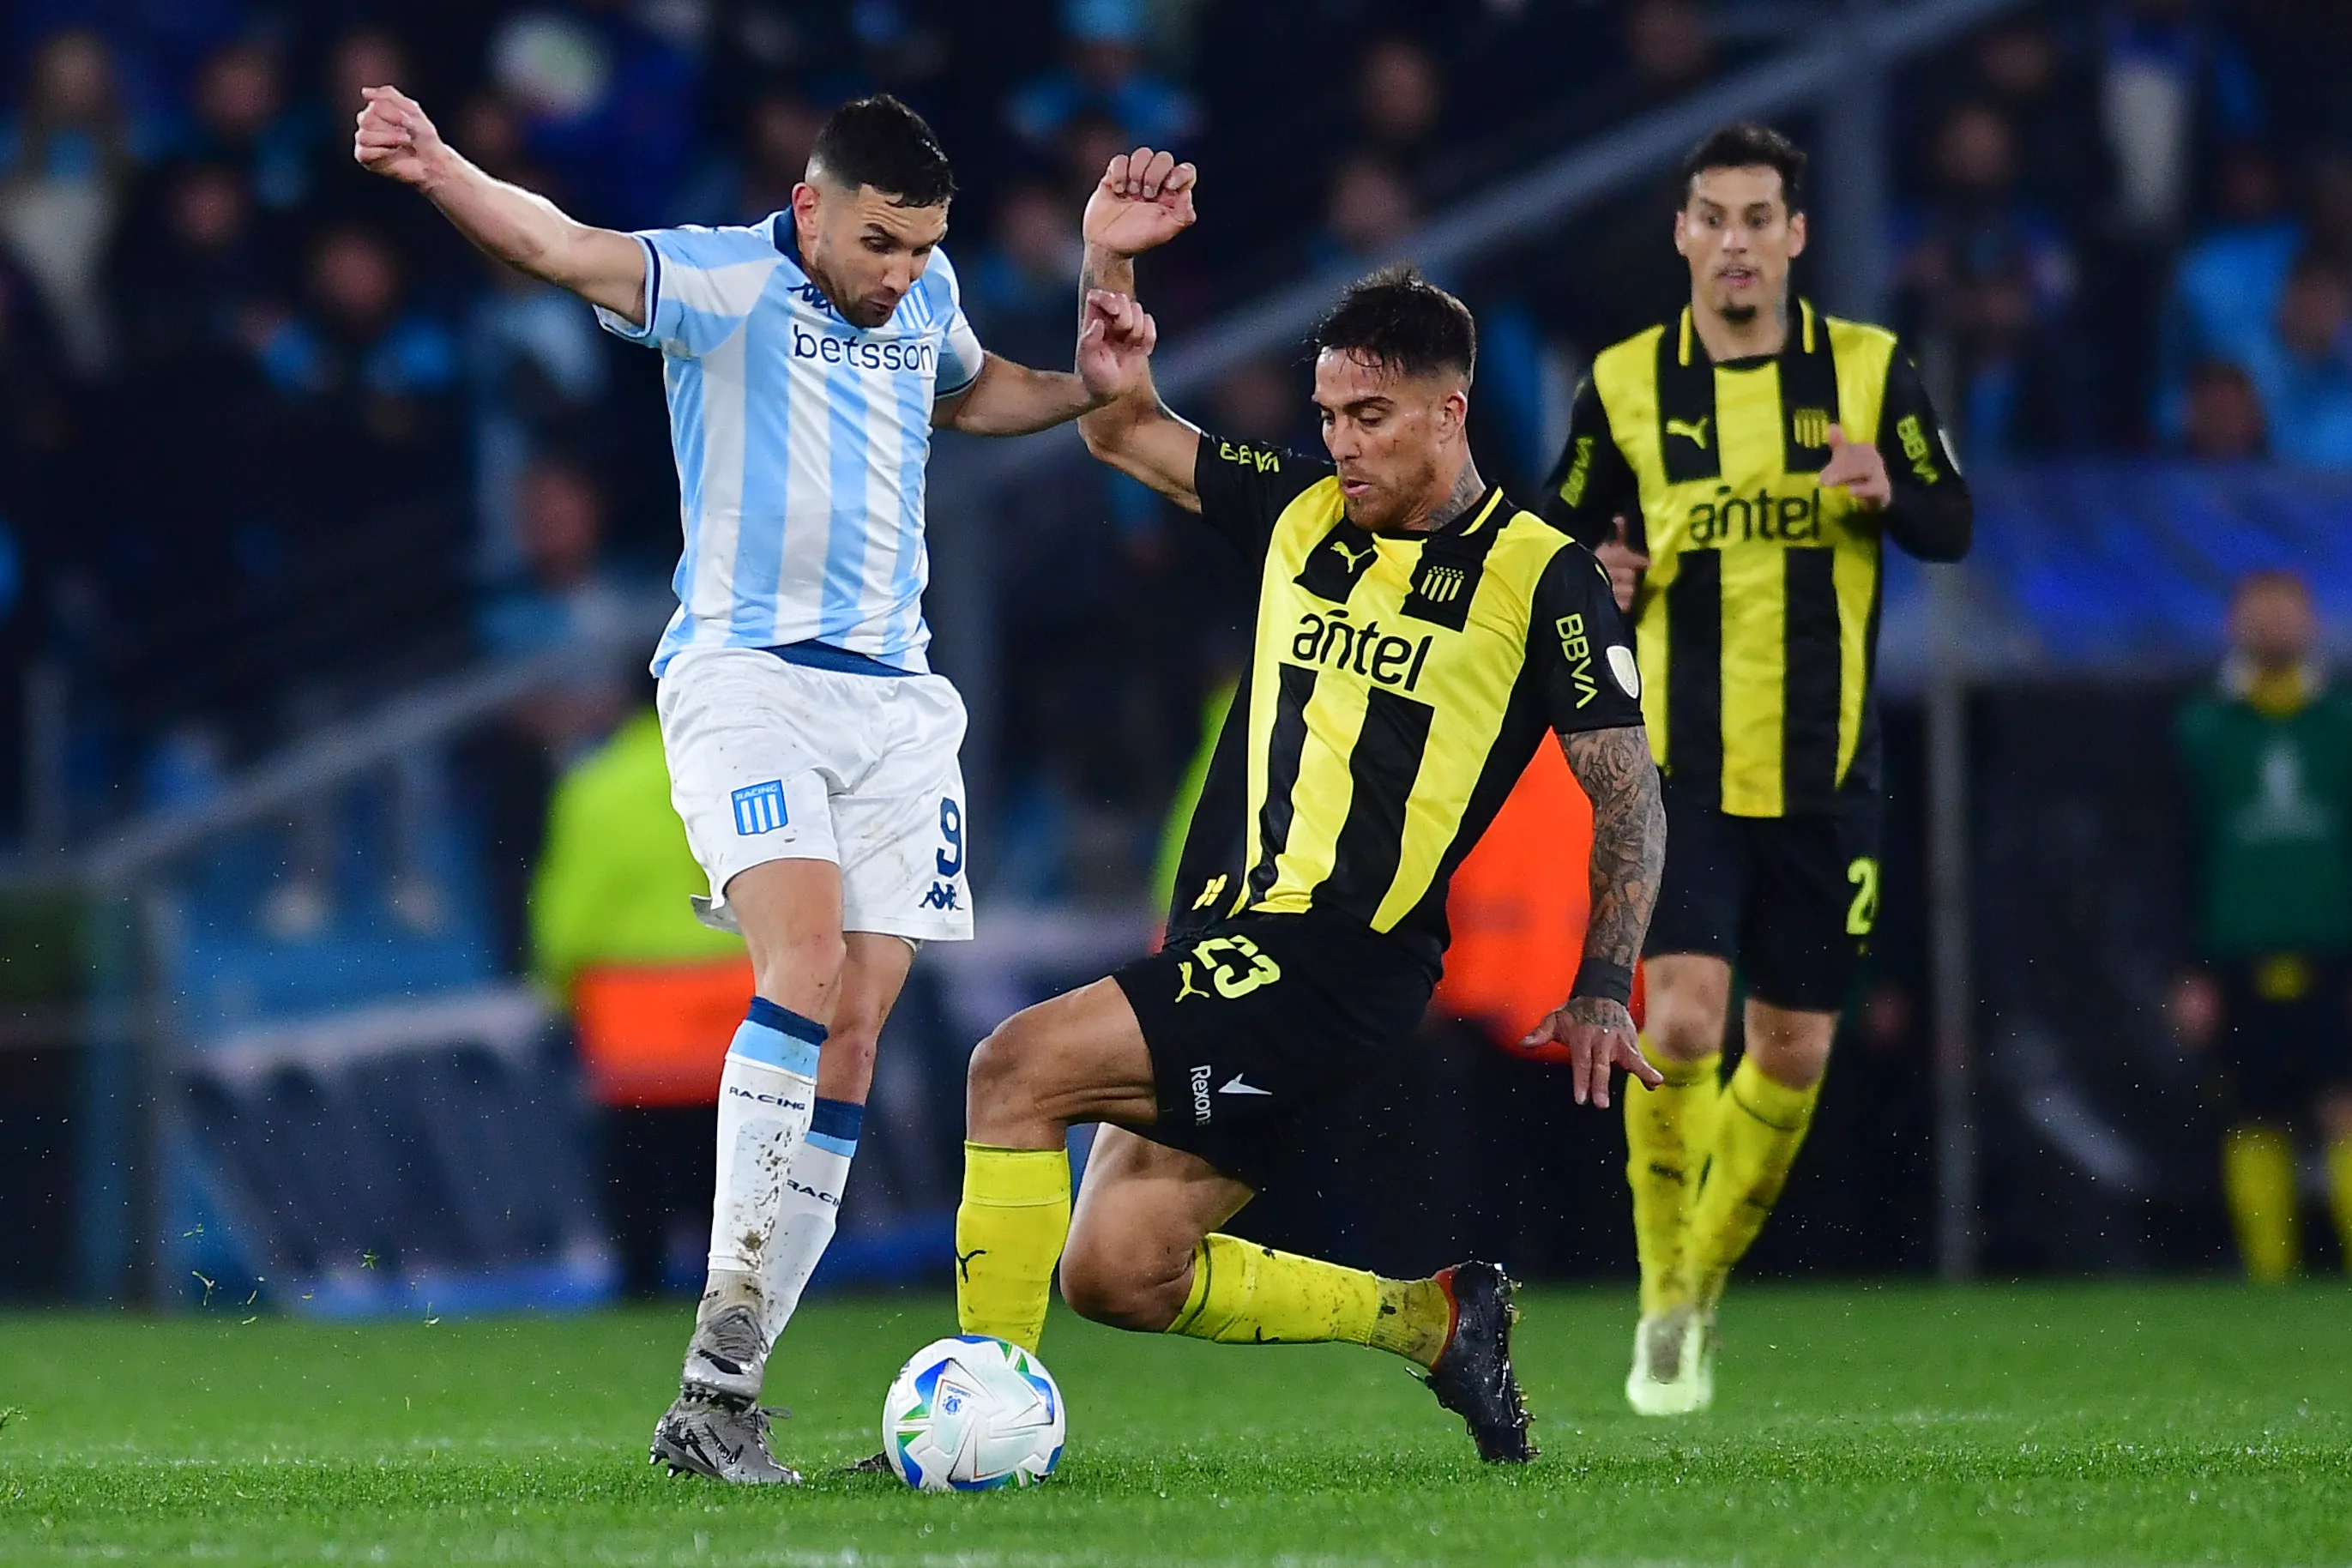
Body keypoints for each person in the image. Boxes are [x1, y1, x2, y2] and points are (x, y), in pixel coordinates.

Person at [355, 87, 1157, 1484]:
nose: (900, 272)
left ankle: (723, 1395)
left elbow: (968, 390)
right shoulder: (720, 282)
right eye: (878, 243)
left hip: (898, 706)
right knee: (798, 960)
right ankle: (720, 1335)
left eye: (920, 247)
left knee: (855, 1025)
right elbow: (558, 246)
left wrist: (1084, 383)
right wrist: (437, 171)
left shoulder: (927, 293)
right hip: (747, 677)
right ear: (809, 208)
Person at [946, 149, 1665, 1464]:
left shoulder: (1538, 576)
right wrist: (1109, 263)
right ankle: (1433, 1323)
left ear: (1449, 414)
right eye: (1328, 411)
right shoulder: (1295, 510)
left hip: (1330, 960)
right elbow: (1119, 426)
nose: (1339, 442)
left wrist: (1605, 977)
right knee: (1113, 1269)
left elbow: (1626, 789)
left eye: (1370, 417)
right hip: (1226, 942)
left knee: (1013, 1067)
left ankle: (973, 1423)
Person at [1541, 123, 1972, 1416]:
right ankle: (1661, 1292)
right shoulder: (1620, 386)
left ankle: (1697, 1283)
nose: (1734, 242)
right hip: (1676, 770)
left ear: (1795, 236)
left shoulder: (1868, 370)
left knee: (1788, 1057)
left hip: (1826, 771)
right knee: (1674, 1025)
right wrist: (1596, 578)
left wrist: (1887, 488)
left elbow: (1952, 522)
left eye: (1757, 218)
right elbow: (1554, 543)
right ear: (1683, 233)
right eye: (1711, 218)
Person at [2171, 570, 2352, 1281]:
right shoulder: (2200, 727)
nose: (2273, 626)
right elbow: (2177, 851)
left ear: (2310, 623)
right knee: (2251, 1113)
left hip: (2335, 952)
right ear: (2234, 625)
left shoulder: (2340, 721)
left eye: (2287, 612)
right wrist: (2187, 965)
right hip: (2234, 956)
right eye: (2259, 613)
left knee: (2343, 1105)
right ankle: (2268, 1281)